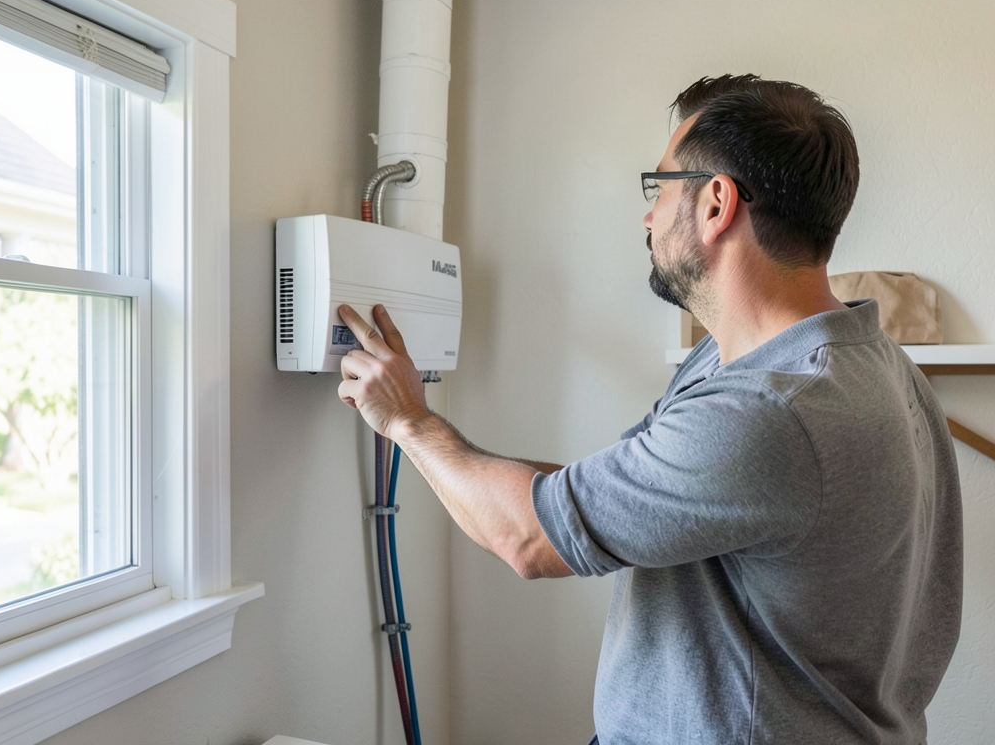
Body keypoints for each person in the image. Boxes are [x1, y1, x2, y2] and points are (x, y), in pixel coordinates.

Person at [336, 75, 963, 744]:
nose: (647, 216)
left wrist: (410, 423)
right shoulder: (856, 360)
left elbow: (530, 540)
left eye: (658, 188)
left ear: (716, 202)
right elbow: (614, 496)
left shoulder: (770, 412)